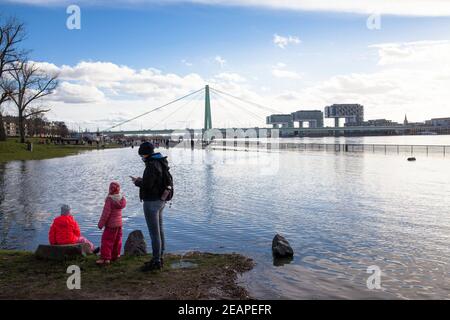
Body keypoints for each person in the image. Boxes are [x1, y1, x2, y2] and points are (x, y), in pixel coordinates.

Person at [131, 142, 171, 271]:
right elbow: (156, 182)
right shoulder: (160, 161)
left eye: (141, 154)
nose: (141, 157)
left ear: (145, 153)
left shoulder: (151, 165)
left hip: (151, 202)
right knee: (160, 230)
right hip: (161, 201)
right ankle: (160, 256)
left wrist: (137, 181)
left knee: (154, 233)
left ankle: (156, 261)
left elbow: (147, 185)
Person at [96, 182, 127, 265]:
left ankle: (105, 259)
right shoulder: (121, 198)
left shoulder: (110, 199)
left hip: (111, 225)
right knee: (117, 240)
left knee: (106, 241)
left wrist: (100, 224)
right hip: (119, 224)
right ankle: (115, 255)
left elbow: (106, 213)